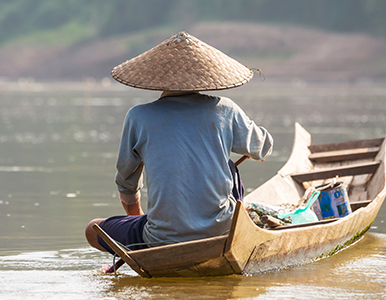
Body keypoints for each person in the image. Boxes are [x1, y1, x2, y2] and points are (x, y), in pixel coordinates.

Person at [85, 31, 273, 254]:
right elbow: (263, 148)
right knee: (230, 169)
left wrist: (140, 223)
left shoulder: (138, 116)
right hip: (223, 232)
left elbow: (126, 184)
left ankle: (147, 238)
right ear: (206, 76)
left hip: (160, 239)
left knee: (92, 229)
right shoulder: (226, 109)